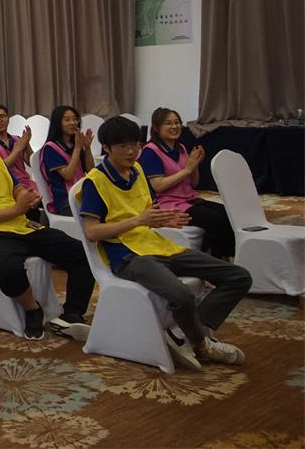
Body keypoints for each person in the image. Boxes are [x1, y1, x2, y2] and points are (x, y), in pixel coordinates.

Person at [80, 116, 252, 369]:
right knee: (181, 295)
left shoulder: (137, 170)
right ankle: (201, 345)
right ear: (106, 147)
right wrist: (139, 220)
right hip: (127, 256)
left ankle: (192, 331)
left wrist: (164, 220)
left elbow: (148, 212)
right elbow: (92, 232)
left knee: (239, 276)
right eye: (123, 146)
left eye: (135, 145)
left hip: (156, 244)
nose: (131, 152)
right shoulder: (95, 181)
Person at [0, 119, 94, 340]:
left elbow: (17, 190)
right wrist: (16, 209)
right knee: (7, 270)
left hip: (23, 227)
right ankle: (32, 309)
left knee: (82, 253)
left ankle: (72, 314)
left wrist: (27, 197)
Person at [139, 108, 234, 259]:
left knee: (227, 213)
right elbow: (158, 186)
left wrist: (194, 165)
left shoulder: (181, 148)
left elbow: (194, 184)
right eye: (168, 123)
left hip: (189, 199)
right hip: (167, 203)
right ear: (156, 128)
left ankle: (218, 255)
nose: (174, 127)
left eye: (177, 123)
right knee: (214, 219)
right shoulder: (151, 151)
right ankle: (217, 259)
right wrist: (187, 169)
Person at [0, 104, 40, 222]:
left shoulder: (16, 139)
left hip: (26, 184)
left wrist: (27, 143)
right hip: (6, 188)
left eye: (2, 116)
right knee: (31, 210)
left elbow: (31, 163)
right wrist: (18, 148)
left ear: (8, 118)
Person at [40, 105, 94, 216]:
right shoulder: (51, 148)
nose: (73, 123)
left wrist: (87, 148)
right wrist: (78, 148)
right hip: (66, 200)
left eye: (75, 119)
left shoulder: (74, 143)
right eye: (67, 120)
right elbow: (68, 175)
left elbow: (91, 170)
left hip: (82, 194)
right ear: (58, 123)